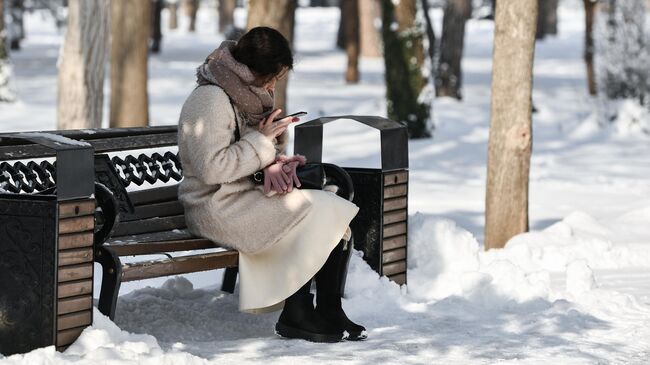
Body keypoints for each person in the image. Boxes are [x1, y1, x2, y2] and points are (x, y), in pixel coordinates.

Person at [176, 26, 367, 342]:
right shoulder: (209, 99)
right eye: (274, 77)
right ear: (254, 70)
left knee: (330, 202)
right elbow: (212, 168)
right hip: (213, 204)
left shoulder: (248, 94)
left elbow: (253, 150)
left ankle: (328, 307)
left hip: (243, 195)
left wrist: (277, 161)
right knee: (319, 209)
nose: (274, 84)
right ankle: (297, 311)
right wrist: (262, 144)